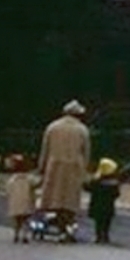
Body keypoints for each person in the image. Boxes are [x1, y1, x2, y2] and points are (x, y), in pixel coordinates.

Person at [37, 100, 91, 240]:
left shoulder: (52, 127)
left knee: (54, 197)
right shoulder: (82, 130)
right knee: (69, 199)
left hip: (54, 166)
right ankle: (67, 227)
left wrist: (41, 167)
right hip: (73, 168)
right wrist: (84, 170)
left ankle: (54, 221)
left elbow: (45, 149)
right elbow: (85, 152)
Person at [86, 157, 121, 244]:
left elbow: (88, 188)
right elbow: (117, 194)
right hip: (108, 207)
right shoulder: (113, 183)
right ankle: (106, 236)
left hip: (97, 206)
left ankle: (98, 237)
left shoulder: (96, 182)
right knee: (107, 223)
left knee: (98, 223)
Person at [4, 154, 34, 244]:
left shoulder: (12, 180)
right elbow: (34, 185)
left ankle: (16, 235)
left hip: (15, 204)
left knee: (17, 221)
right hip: (26, 203)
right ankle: (25, 235)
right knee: (25, 220)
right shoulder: (28, 179)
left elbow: (8, 191)